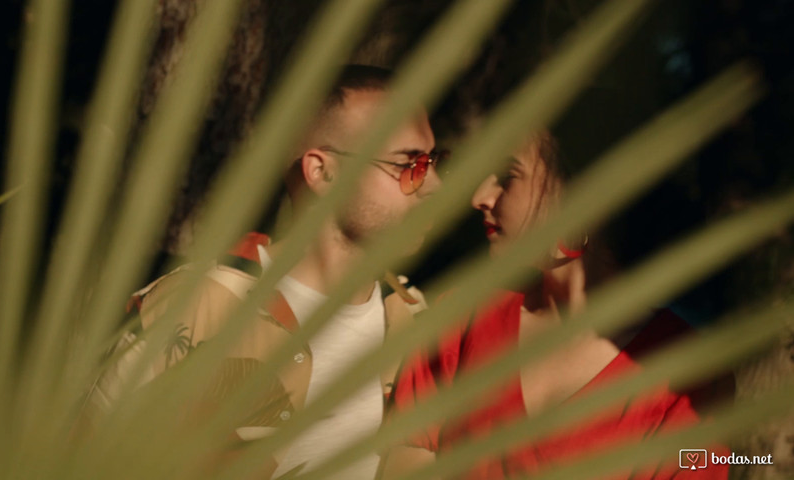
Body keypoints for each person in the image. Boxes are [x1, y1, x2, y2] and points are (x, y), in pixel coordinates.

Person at [83, 65, 439, 479]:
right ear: (323, 173)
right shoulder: (196, 306)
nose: (433, 186)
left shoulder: (416, 319)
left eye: (433, 161)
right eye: (408, 164)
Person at [382, 132, 732, 479]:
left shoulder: (690, 379)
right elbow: (406, 449)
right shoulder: (463, 314)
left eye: (507, 175)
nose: (480, 197)